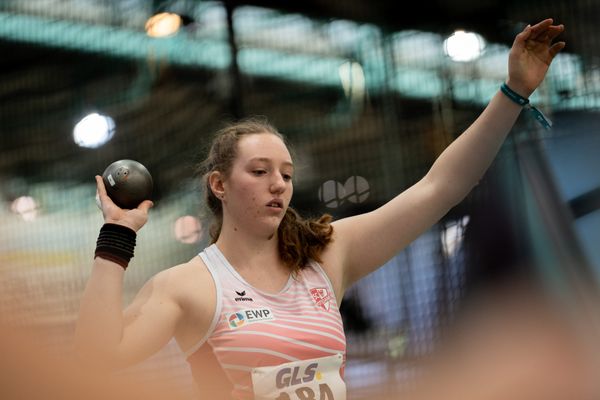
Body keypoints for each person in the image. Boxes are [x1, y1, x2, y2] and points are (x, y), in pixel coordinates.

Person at [76, 18, 566, 400]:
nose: (278, 185)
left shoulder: (325, 257)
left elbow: (440, 187)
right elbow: (101, 356)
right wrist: (116, 238)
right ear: (219, 184)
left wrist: (513, 92)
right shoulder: (187, 286)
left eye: (286, 174)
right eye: (260, 171)